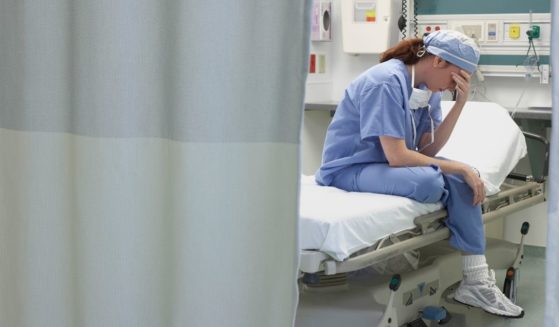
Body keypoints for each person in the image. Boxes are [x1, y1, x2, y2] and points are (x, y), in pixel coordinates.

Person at [315, 30, 524, 319]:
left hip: (386, 166)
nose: (456, 86)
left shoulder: (427, 91)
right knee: (432, 179)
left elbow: (429, 148)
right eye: (456, 78)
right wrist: (458, 166)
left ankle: (475, 281)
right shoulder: (386, 82)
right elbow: (398, 156)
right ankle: (470, 268)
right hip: (349, 168)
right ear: (438, 61)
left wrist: (460, 105)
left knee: (462, 178)